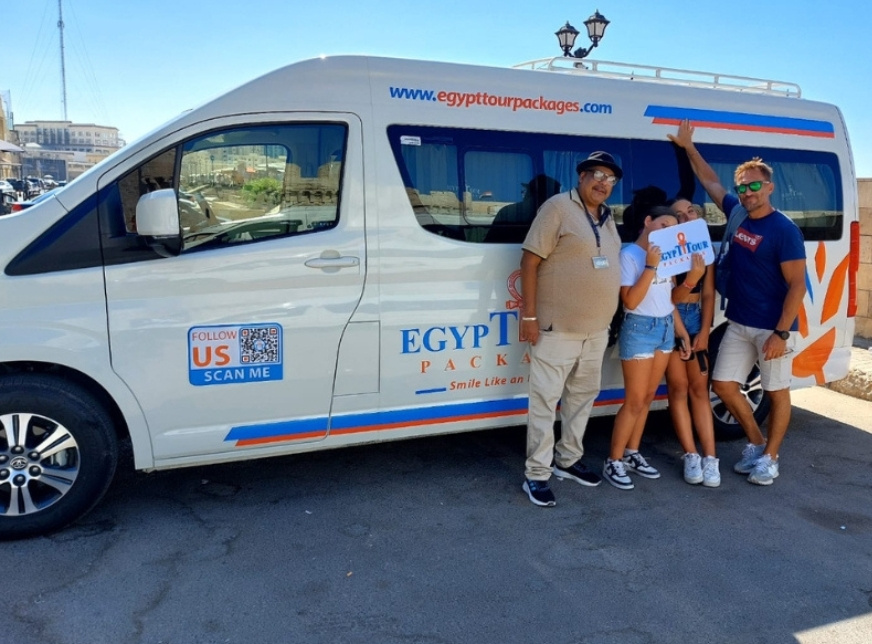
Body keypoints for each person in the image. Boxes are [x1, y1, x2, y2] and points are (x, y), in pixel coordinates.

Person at [669, 119, 806, 486]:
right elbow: (711, 182)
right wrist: (689, 148)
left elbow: (797, 286)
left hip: (772, 327)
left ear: (770, 187)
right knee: (724, 384)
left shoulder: (784, 230)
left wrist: (781, 333)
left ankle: (771, 459)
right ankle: (757, 444)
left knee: (776, 392)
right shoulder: (738, 213)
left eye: (755, 185)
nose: (748, 192)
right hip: (740, 321)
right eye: (743, 187)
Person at [519, 151, 623, 507]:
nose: (603, 183)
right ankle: (537, 473)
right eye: (597, 175)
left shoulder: (607, 217)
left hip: (596, 331)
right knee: (545, 401)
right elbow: (529, 261)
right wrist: (529, 317)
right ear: (581, 177)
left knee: (581, 398)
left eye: (610, 179)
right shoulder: (557, 208)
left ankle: (568, 459)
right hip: (556, 328)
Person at [603, 206, 692, 490]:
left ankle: (632, 452)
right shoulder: (629, 255)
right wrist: (651, 267)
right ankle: (613, 460)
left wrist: (681, 332)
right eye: (663, 224)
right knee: (635, 400)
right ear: (648, 221)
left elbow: (669, 298)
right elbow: (630, 301)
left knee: (648, 397)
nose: (667, 231)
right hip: (639, 328)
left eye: (672, 228)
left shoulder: (668, 255)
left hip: (665, 327)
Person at [665, 199, 720, 486]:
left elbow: (709, 294)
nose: (686, 218)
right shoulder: (667, 250)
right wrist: (682, 333)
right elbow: (668, 299)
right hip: (672, 318)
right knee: (678, 388)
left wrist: (705, 331)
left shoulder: (703, 248)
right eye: (678, 215)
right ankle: (691, 455)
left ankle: (710, 457)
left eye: (691, 212)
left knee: (700, 389)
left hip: (696, 316)